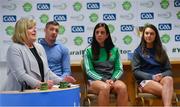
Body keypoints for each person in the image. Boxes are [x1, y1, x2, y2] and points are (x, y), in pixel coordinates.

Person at [3, 18, 74, 91]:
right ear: (21, 31)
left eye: (35, 28)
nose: (35, 30)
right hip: (19, 94)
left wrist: (61, 81)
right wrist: (40, 84)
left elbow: (47, 72)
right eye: (30, 28)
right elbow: (20, 75)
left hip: (38, 92)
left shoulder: (39, 47)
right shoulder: (14, 48)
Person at [83, 22, 128, 106]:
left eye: (102, 32)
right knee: (105, 87)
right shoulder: (88, 50)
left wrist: (113, 79)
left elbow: (119, 69)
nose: (99, 35)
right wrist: (104, 80)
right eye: (97, 32)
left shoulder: (115, 50)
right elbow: (89, 71)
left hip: (111, 80)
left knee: (122, 87)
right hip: (95, 82)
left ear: (107, 35)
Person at [131, 24, 174, 106]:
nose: (149, 36)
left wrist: (162, 75)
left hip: (160, 79)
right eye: (146, 33)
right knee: (167, 92)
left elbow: (169, 70)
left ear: (155, 36)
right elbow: (136, 71)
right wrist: (152, 77)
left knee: (169, 79)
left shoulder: (161, 51)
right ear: (143, 35)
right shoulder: (138, 51)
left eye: (152, 34)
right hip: (145, 81)